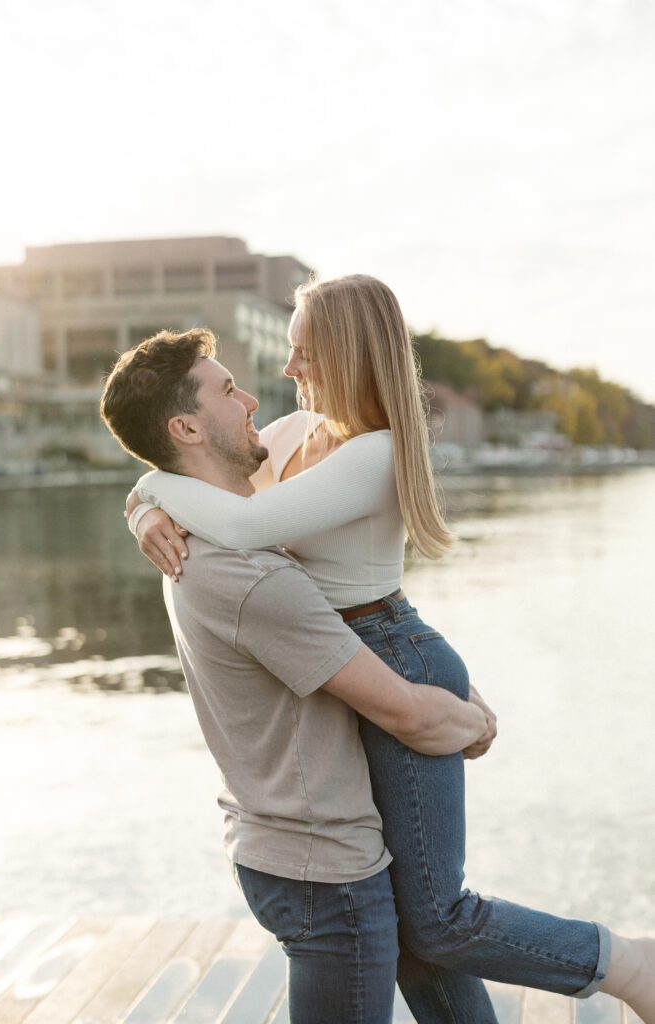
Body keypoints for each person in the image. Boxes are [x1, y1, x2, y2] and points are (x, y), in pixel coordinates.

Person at [128, 276, 654, 1024]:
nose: (286, 372)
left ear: (343, 352)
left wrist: (147, 492)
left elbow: (241, 526)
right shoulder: (290, 433)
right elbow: (202, 477)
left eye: (300, 353)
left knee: (436, 918)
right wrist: (142, 507)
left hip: (388, 650)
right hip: (337, 653)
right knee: (410, 933)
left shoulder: (374, 452)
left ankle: (626, 961)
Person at [100, 327, 492, 1024]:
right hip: (323, 865)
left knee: (430, 942)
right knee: (442, 924)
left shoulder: (201, 539)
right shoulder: (249, 571)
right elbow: (404, 711)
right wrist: (472, 715)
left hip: (284, 841)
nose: (258, 392)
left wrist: (146, 497)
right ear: (186, 425)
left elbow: (247, 513)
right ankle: (622, 963)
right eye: (228, 389)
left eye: (300, 351)